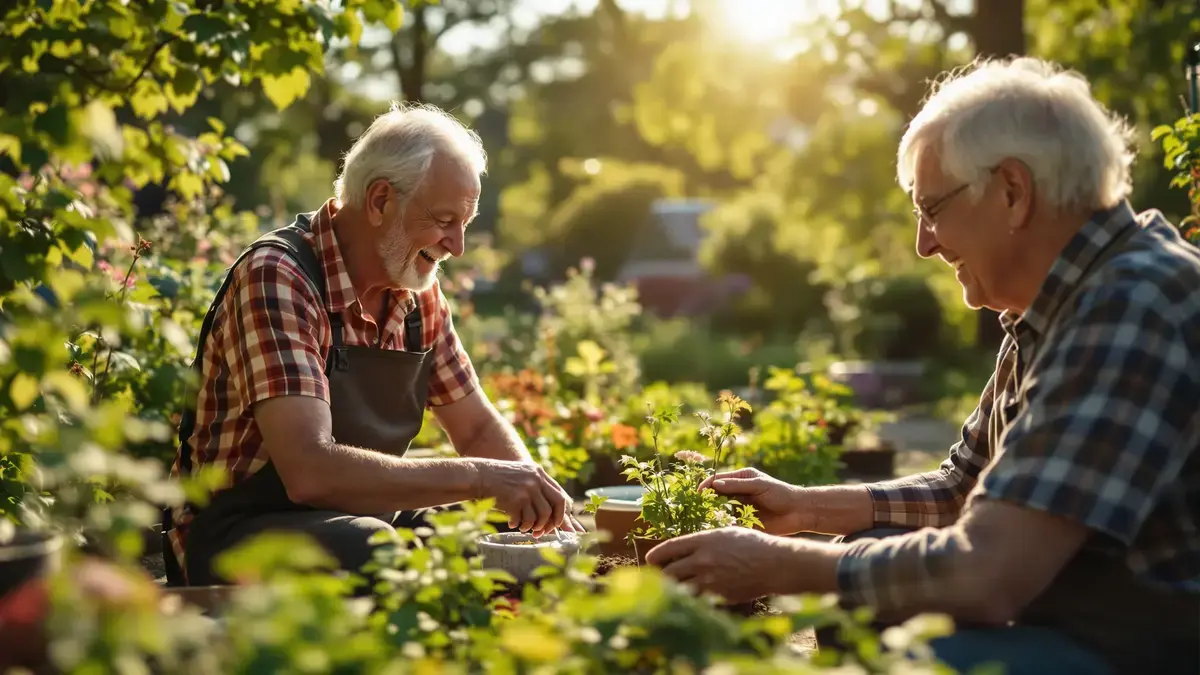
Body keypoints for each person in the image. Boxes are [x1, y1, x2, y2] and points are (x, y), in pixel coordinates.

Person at [646, 57, 1200, 675]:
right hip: (1084, 620)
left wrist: (776, 563)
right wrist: (804, 509)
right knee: (870, 563)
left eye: (931, 209)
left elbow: (988, 573)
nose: (924, 244)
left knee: (924, 652)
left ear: (1012, 192)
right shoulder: (1060, 303)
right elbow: (963, 489)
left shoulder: (1134, 304)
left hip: (1150, 649)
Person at [163, 102, 582, 588]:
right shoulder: (279, 276)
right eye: (446, 219)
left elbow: (477, 427)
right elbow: (309, 471)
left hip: (361, 519)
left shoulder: (415, 291)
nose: (457, 246)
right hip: (233, 539)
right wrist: (485, 478)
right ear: (381, 200)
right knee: (370, 547)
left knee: (490, 533)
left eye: (465, 223)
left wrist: (540, 505)